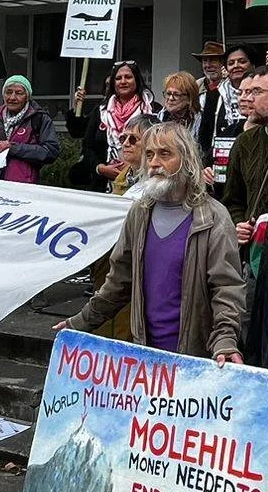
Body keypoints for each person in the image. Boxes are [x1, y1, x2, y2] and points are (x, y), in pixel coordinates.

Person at [60, 124, 249, 361]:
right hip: (145, 358)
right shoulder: (139, 213)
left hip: (194, 359)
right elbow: (119, 281)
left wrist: (225, 340)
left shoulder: (213, 218)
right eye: (149, 154)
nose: (154, 162)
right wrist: (79, 322)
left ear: (187, 159)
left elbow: (227, 288)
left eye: (165, 154)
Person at [224, 67, 268, 252]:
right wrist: (238, 224)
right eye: (247, 92)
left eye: (257, 92)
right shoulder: (244, 142)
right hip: (254, 254)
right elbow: (232, 200)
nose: (248, 98)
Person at [0, 74, 60, 183]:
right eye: (8, 92)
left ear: (27, 97)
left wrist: (12, 147)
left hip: (22, 186)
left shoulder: (39, 118)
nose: (12, 97)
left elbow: (51, 151)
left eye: (19, 93)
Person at [94, 61, 160, 189]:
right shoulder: (101, 111)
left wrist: (133, 165)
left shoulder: (153, 109)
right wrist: (101, 168)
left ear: (137, 80)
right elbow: (87, 147)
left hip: (144, 183)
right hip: (103, 185)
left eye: (128, 77)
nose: (123, 81)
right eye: (118, 78)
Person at [196, 44, 255, 188]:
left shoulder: (264, 93)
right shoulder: (215, 94)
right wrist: (207, 166)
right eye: (231, 63)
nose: (236, 66)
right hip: (222, 165)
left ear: (252, 64)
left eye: (242, 61)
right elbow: (206, 134)